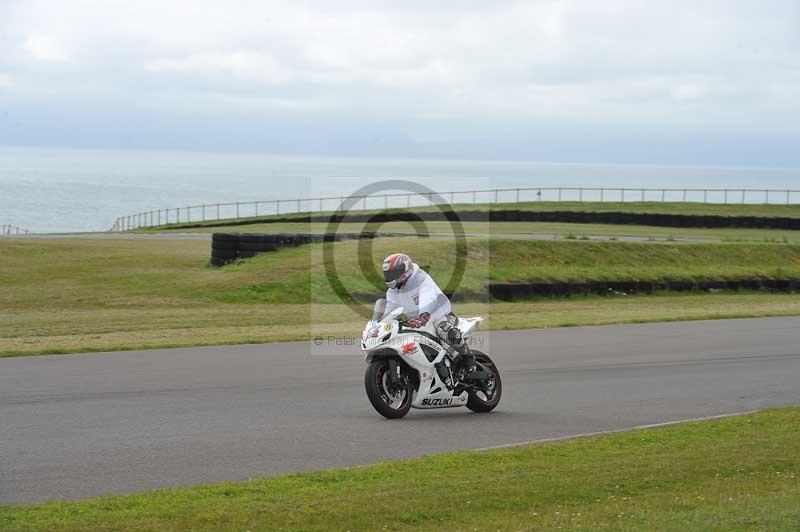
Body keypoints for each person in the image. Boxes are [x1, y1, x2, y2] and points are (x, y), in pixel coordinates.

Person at [382, 253, 475, 373]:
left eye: (392, 273)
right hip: (416, 322)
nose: (390, 277)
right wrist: (381, 322)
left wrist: (424, 315)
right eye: (388, 274)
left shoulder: (421, 278)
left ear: (404, 270)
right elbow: (389, 310)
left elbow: (429, 299)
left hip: (438, 315)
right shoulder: (392, 292)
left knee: (444, 329)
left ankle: (468, 358)